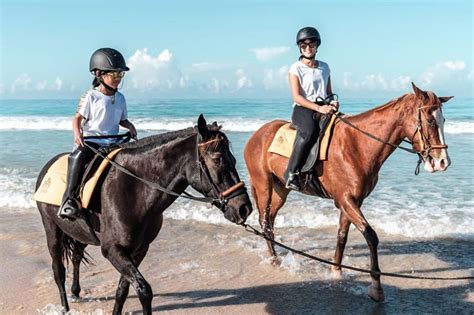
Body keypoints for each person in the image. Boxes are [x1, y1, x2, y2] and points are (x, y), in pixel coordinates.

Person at [58, 48, 137, 220]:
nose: (117, 79)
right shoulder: (91, 96)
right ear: (100, 74)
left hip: (113, 142)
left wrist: (129, 125)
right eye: (114, 75)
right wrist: (77, 134)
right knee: (77, 157)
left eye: (120, 75)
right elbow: (77, 118)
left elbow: (121, 119)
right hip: (92, 142)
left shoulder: (121, 98)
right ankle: (69, 200)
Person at [284, 26, 339, 191]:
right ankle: (291, 173)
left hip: (323, 107)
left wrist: (333, 102)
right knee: (309, 132)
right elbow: (297, 97)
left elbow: (328, 93)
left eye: (311, 44)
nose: (308, 48)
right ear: (300, 47)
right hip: (303, 109)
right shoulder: (296, 68)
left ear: (317, 46)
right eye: (304, 45)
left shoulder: (325, 67)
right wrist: (318, 108)